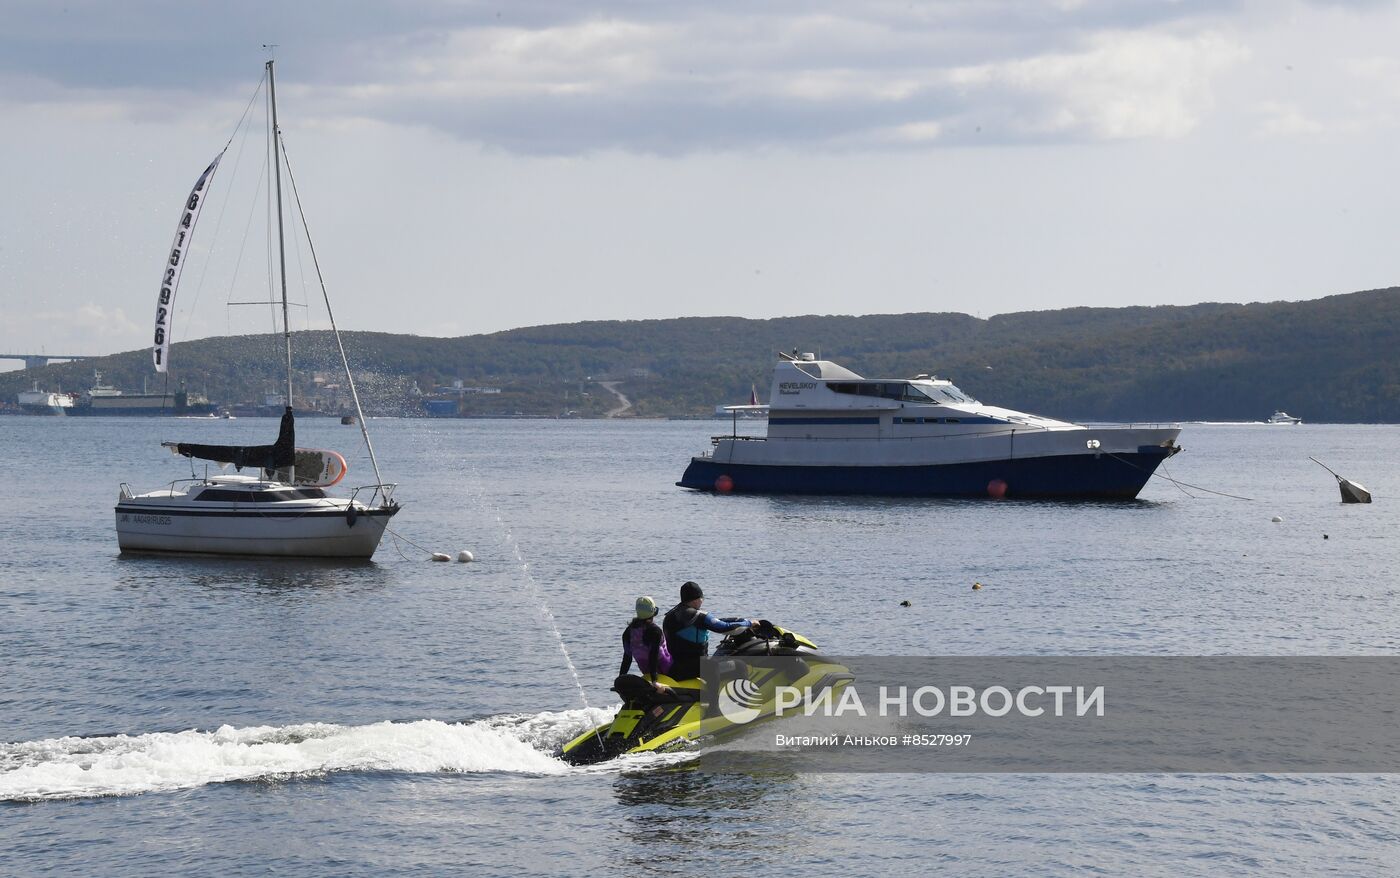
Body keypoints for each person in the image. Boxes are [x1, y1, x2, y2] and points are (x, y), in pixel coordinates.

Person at [663, 581, 753, 680]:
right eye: (702, 598)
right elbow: (725, 627)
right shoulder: (698, 615)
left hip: (675, 667)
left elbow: (717, 622)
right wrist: (749, 623)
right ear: (696, 600)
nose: (702, 601)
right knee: (739, 666)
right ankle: (718, 695)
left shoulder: (670, 615)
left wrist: (738, 620)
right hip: (695, 668)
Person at [619, 596, 672, 693]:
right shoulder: (655, 631)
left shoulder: (628, 632)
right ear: (653, 611)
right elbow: (653, 655)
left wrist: (620, 679)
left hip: (646, 672)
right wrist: (654, 681)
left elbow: (627, 658)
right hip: (667, 671)